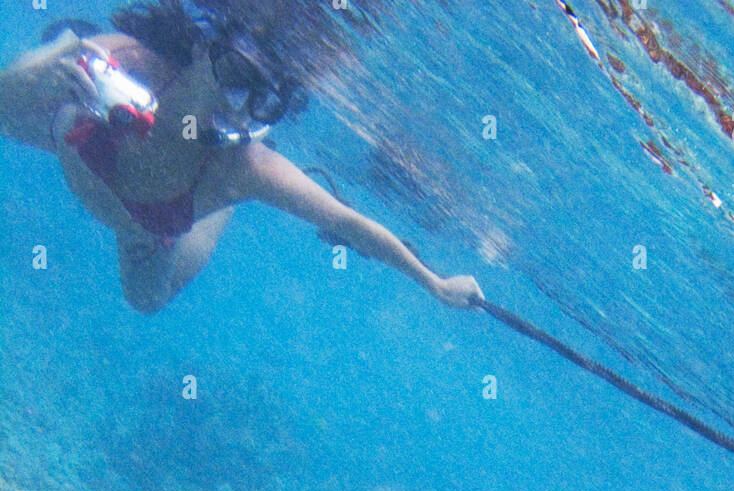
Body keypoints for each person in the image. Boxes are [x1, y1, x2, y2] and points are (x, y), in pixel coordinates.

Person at [0, 3, 484, 315]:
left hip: (146, 229)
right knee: (17, 105)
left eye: (255, 101)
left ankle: (212, 211)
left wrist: (435, 283)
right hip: (83, 142)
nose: (235, 108)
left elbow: (348, 221)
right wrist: (59, 63)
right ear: (198, 56)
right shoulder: (125, 64)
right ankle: (59, 46)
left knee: (145, 300)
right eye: (233, 80)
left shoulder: (242, 166)